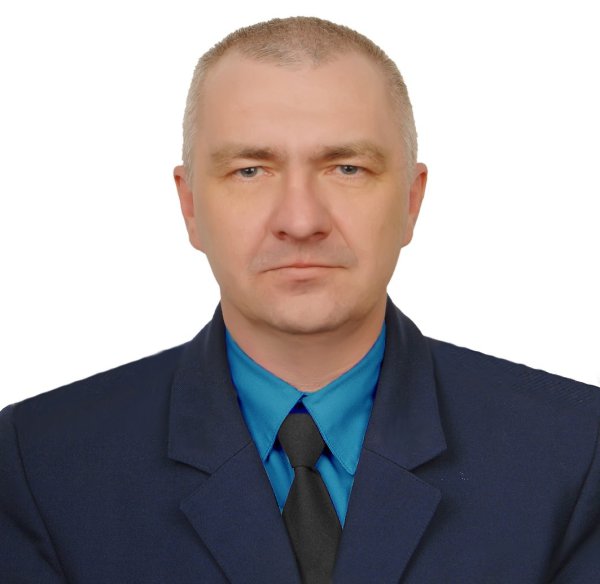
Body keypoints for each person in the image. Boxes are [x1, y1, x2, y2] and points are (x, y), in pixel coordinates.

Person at [1, 16, 599, 584]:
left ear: (411, 201)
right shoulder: (39, 464)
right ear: (190, 206)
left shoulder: (575, 453)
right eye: (250, 171)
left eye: (347, 168)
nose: (301, 220)